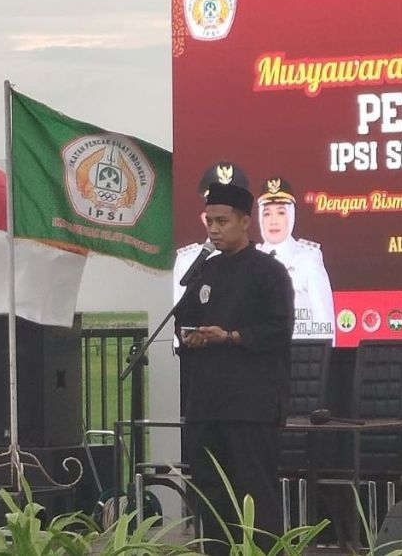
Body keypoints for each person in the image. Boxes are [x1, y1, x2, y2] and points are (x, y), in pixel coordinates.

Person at [173, 181, 293, 554]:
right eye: (209, 221)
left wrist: (232, 336)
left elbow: (279, 329)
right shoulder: (204, 272)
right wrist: (190, 337)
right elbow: (183, 319)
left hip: (250, 407)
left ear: (244, 221)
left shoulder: (268, 271)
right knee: (211, 495)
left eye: (222, 221)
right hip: (207, 405)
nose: (214, 229)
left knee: (254, 494)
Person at [255, 176, 335, 341]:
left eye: (281, 213)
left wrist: (323, 355)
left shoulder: (308, 258)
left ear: (290, 216)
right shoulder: (250, 259)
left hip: (298, 352)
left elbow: (324, 323)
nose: (273, 221)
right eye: (267, 214)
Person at [173, 161, 249, 305]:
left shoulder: (263, 264)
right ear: (205, 217)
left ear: (243, 219)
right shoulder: (188, 262)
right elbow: (179, 315)